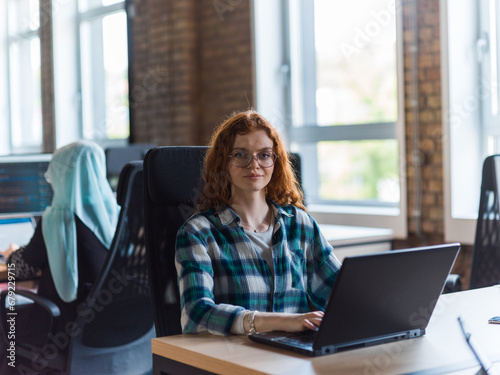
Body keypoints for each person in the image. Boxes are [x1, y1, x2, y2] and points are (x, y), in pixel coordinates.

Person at [175, 110, 342, 336]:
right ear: (223, 163)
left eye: (264, 155)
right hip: (235, 358)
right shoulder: (198, 233)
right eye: (240, 154)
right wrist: (282, 321)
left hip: (293, 356)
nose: (254, 165)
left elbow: (339, 295)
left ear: (276, 161)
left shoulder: (300, 224)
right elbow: (196, 313)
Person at [0, 140, 119, 372]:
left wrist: (12, 253)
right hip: (112, 329)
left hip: (65, 330)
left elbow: (22, 267)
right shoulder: (117, 215)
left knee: (6, 326)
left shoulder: (58, 221)